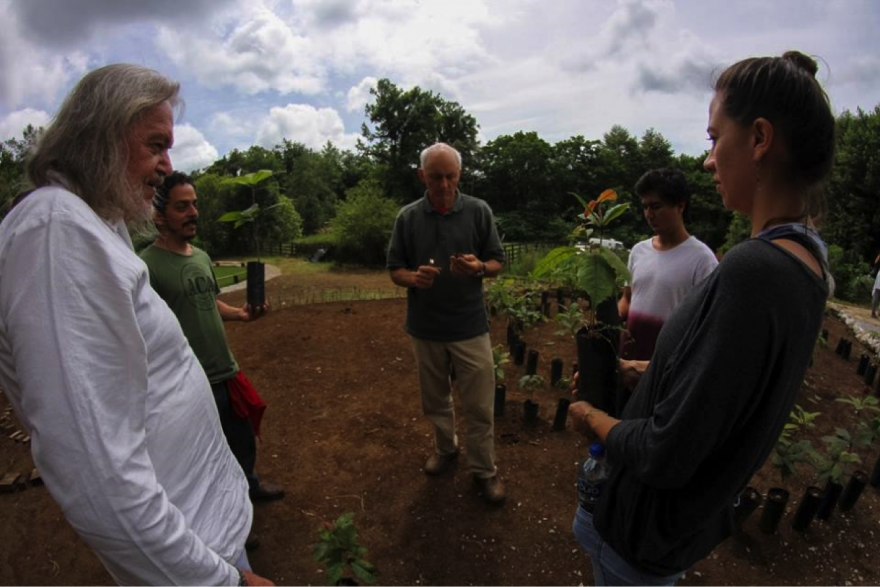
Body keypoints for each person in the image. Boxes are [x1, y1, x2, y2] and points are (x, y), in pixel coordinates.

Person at [0, 64, 274, 586]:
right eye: (156, 146)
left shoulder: (97, 224)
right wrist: (221, 582)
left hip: (204, 531)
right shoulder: (56, 231)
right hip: (192, 561)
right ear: (100, 139)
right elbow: (96, 472)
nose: (167, 167)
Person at [569, 50, 834, 586]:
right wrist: (643, 372)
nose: (708, 160)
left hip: (640, 533)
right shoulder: (807, 262)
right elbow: (721, 394)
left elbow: (665, 454)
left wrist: (591, 417)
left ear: (758, 139)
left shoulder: (751, 270)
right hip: (678, 530)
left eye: (714, 138)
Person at [141, 172, 285, 517]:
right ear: (159, 216)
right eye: (182, 207)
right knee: (207, 456)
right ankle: (229, 520)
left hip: (225, 370)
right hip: (188, 380)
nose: (193, 212)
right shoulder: (146, 266)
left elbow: (208, 302)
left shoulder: (202, 257)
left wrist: (241, 314)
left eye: (194, 204)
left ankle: (249, 487)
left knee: (242, 440)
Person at [387, 142, 508, 504]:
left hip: (470, 326)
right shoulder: (408, 217)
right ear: (421, 176)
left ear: (460, 175)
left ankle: (484, 470)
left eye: (450, 176)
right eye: (436, 177)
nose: (444, 185)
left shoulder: (478, 211)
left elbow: (497, 261)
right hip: (425, 328)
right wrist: (414, 278)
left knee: (480, 405)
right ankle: (446, 449)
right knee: (435, 400)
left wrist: (479, 268)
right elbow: (395, 269)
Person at [618, 168, 718, 362]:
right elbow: (627, 300)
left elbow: (707, 325)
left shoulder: (702, 260)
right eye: (645, 207)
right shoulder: (638, 251)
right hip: (628, 361)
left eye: (656, 206)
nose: (649, 214)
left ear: (680, 206)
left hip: (669, 366)